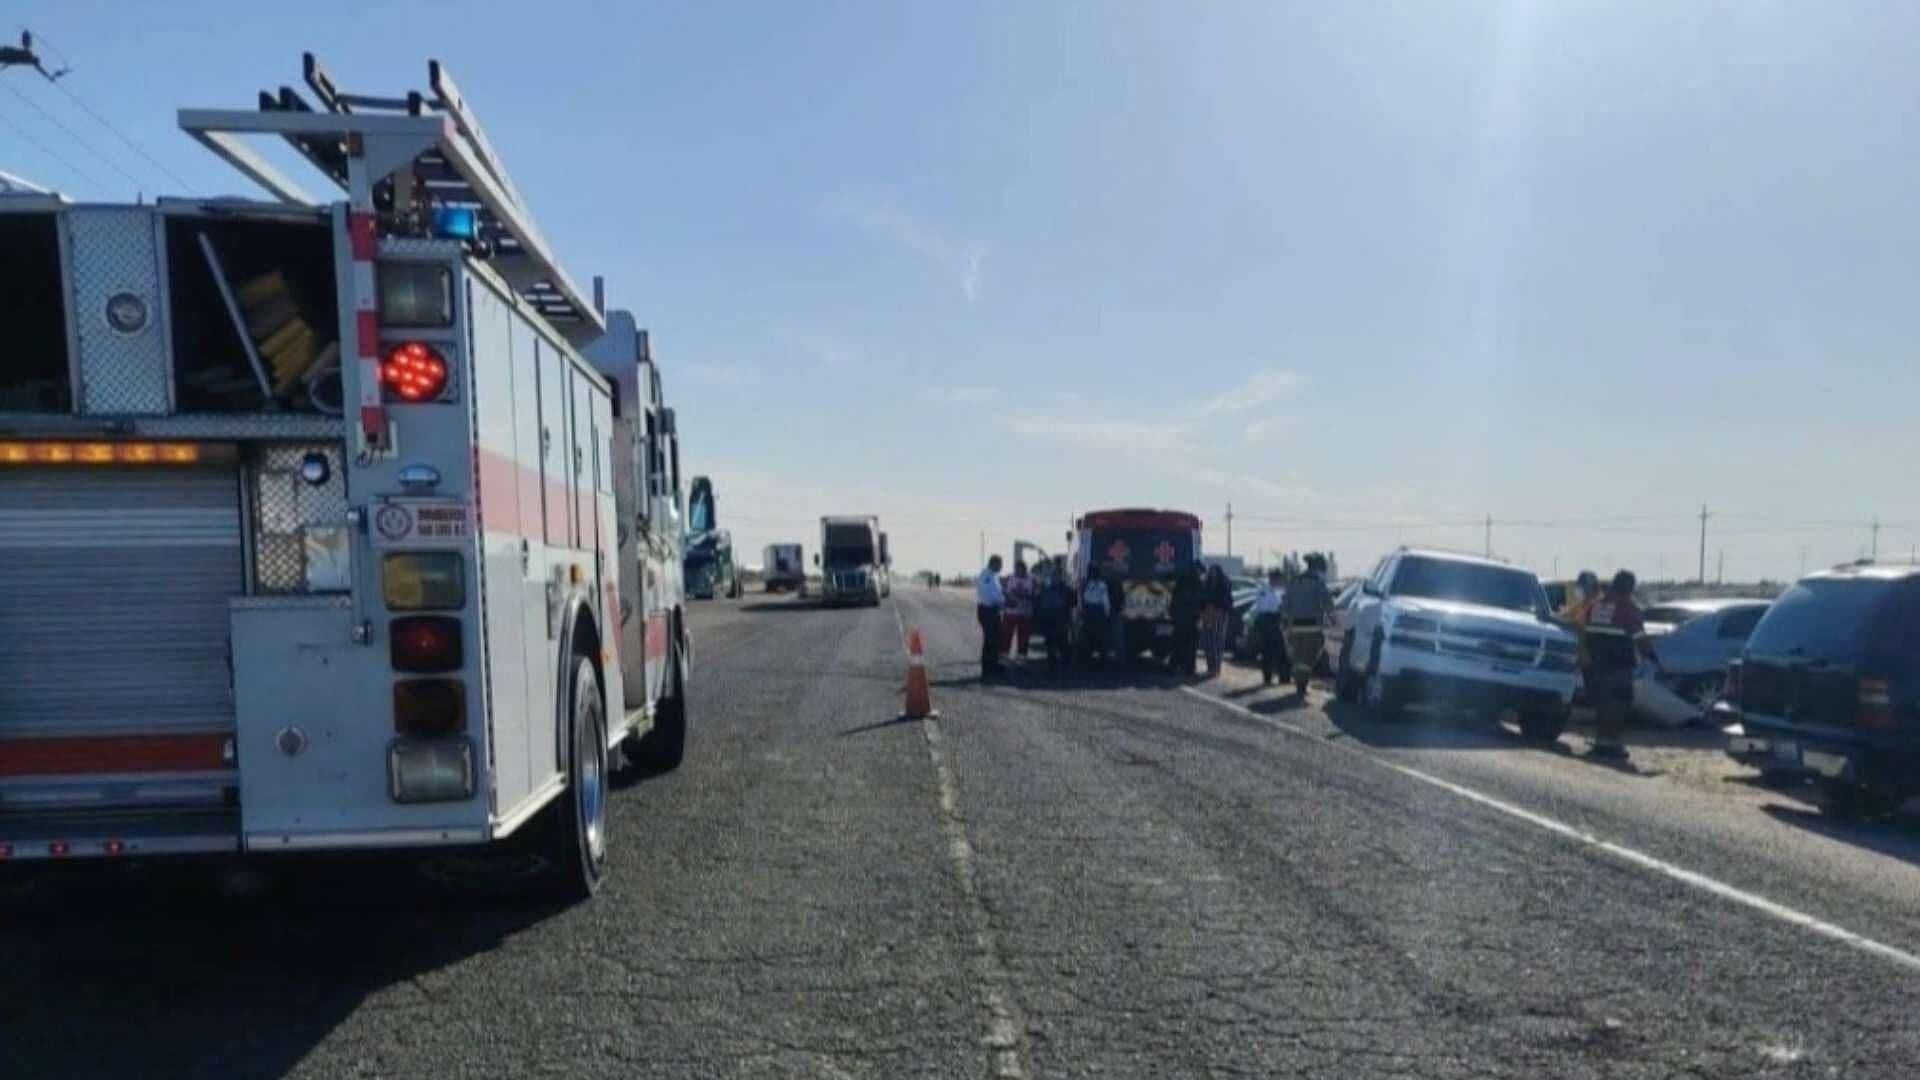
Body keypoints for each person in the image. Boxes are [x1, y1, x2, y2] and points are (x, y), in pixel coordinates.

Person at [1577, 570, 1660, 762]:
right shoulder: (1627, 607)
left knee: (1602, 705)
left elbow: (1583, 630)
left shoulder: (1595, 605)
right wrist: (1654, 659)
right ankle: (1610, 746)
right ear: (1629, 587)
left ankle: (1601, 744)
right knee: (1619, 704)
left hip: (1594, 666)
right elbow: (1640, 638)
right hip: (1617, 665)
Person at [1282, 553, 1334, 691]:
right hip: (1312, 627)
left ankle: (1300, 683)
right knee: (1309, 657)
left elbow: (1286, 603)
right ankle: (1302, 683)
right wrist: (1333, 619)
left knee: (1298, 657)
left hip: (1296, 626)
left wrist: (1284, 621)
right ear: (1317, 567)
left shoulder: (1295, 581)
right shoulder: (1318, 582)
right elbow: (1327, 603)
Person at [1249, 569, 1287, 686]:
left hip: (1275, 620)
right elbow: (1265, 606)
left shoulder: (1277, 590)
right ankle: (1268, 678)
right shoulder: (1264, 590)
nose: (1280, 581)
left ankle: (1283, 678)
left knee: (1281, 651)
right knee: (1268, 651)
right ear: (1273, 579)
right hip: (1267, 621)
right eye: (1279, 579)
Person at [1035, 569, 1075, 676]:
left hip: (1062, 621)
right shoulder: (1045, 589)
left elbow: (1073, 602)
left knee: (1063, 646)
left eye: (1056, 576)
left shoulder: (1067, 589)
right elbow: (1039, 603)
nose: (1054, 578)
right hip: (1049, 621)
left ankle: (1066, 668)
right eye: (1053, 576)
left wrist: (1064, 604)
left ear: (1060, 577)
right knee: (1050, 647)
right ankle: (1051, 670)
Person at [1200, 564, 1233, 678]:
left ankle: (1216, 668)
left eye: (1215, 572)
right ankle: (1210, 667)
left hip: (1220, 614)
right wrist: (1204, 609)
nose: (1213, 574)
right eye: (1211, 572)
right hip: (1207, 614)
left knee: (1217, 641)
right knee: (1207, 641)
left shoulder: (1224, 584)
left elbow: (1227, 601)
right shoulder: (1206, 584)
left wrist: (1217, 608)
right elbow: (1202, 598)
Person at [1170, 563, 1203, 675]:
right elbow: (1199, 602)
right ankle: (1189, 668)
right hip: (1191, 619)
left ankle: (1174, 666)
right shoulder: (1197, 584)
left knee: (1178, 643)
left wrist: (1173, 614)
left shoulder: (1181, 581)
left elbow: (1174, 600)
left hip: (1180, 618)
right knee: (1191, 646)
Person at [975, 555, 1005, 678]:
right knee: (991, 640)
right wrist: (1004, 601)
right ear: (994, 563)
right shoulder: (986, 576)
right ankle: (988, 668)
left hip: (992, 610)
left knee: (994, 639)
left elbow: (997, 593)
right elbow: (989, 595)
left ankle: (992, 665)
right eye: (1000, 564)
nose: (1001, 567)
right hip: (988, 611)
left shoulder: (992, 575)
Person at [1002, 560, 1035, 660]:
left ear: (1025, 568)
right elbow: (1003, 593)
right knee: (1006, 636)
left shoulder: (1032, 579)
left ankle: (1022, 657)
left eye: (1022, 568)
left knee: (1024, 637)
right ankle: (1004, 655)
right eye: (1017, 568)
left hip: (1025, 613)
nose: (1019, 570)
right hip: (1010, 613)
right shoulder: (1009, 578)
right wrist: (1007, 599)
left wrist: (1026, 596)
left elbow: (1036, 594)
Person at [1080, 570, 1112, 667]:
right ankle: (1100, 661)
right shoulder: (1101, 585)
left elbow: (1085, 598)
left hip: (1091, 612)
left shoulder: (1089, 585)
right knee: (1099, 638)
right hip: (1097, 612)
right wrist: (1107, 614)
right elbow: (1105, 601)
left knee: (1092, 637)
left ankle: (1091, 661)